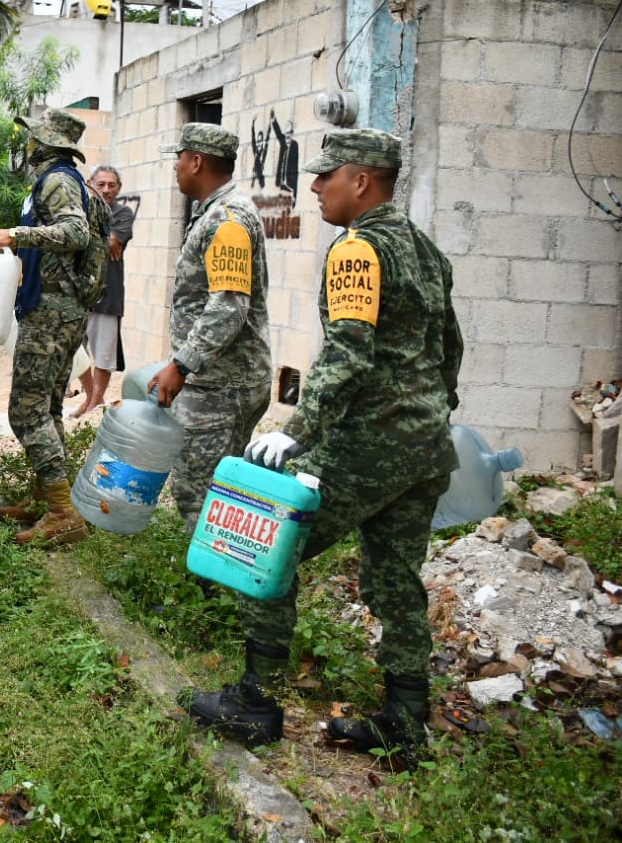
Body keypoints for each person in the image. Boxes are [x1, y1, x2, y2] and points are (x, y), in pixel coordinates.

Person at [184, 128, 462, 770]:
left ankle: (256, 701)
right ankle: (404, 721)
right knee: (397, 579)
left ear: (361, 181)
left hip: (367, 443)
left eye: (325, 177)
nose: (313, 188)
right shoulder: (425, 249)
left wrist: (298, 428)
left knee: (265, 544)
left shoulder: (357, 249)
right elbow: (451, 348)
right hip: (424, 447)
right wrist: (433, 412)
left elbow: (348, 351)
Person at [0, 109, 110, 547]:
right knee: (48, 408)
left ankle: (62, 513)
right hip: (61, 309)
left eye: (31, 139)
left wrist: (12, 235)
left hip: (53, 313)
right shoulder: (63, 179)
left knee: (26, 411)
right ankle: (46, 499)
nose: (27, 146)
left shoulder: (58, 179)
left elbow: (75, 233)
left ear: (44, 144)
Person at [148, 123, 273, 534]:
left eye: (179, 158)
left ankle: (210, 589)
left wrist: (181, 365)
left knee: (200, 493)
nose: (176, 167)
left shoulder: (228, 221)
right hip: (218, 381)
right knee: (211, 489)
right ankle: (215, 585)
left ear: (196, 161)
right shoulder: (215, 212)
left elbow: (229, 304)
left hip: (224, 386)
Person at [68, 165, 133, 418]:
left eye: (112, 185)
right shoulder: (79, 212)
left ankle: (94, 405)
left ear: (118, 189)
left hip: (108, 295)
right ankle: (91, 398)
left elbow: (112, 242)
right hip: (79, 295)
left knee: (103, 355)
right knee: (75, 350)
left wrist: (88, 242)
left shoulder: (122, 213)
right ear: (90, 183)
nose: (106, 189)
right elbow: (88, 243)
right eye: (101, 184)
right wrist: (99, 242)